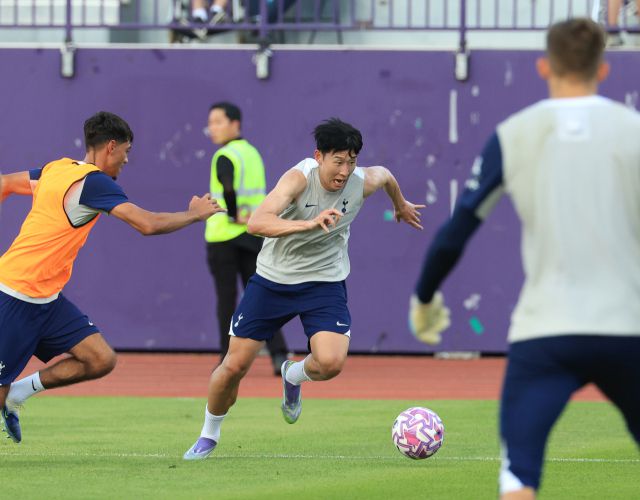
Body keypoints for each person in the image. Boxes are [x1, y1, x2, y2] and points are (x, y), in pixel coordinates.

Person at [409, 18, 640, 500]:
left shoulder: (514, 134)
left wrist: (424, 297)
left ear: (543, 66)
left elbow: (454, 234)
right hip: (627, 329)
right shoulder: (633, 131)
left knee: (519, 477)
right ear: (603, 68)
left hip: (546, 332)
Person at [183, 117, 425, 460]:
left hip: (324, 281)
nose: (344, 170)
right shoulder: (298, 179)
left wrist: (400, 204)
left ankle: (293, 375)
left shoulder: (362, 181)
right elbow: (256, 222)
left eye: (351, 161)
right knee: (233, 367)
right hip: (273, 281)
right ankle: (209, 434)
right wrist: (308, 223)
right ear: (319, 156)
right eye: (337, 161)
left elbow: (385, 175)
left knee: (331, 363)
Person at [0, 111, 224, 444]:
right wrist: (194, 215)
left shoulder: (56, 169)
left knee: (100, 359)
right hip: (16, 296)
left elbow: (5, 183)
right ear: (111, 147)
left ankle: (18, 393)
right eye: (126, 151)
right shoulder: (94, 182)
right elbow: (147, 224)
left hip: (46, 299)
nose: (126, 160)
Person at [205, 101, 289, 375]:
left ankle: (226, 359)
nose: (212, 128)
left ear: (235, 124)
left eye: (218, 122)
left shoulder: (224, 155)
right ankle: (279, 354)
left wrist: (231, 214)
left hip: (223, 236)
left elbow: (228, 187)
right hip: (253, 235)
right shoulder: (253, 154)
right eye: (211, 123)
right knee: (262, 297)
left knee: (226, 300)